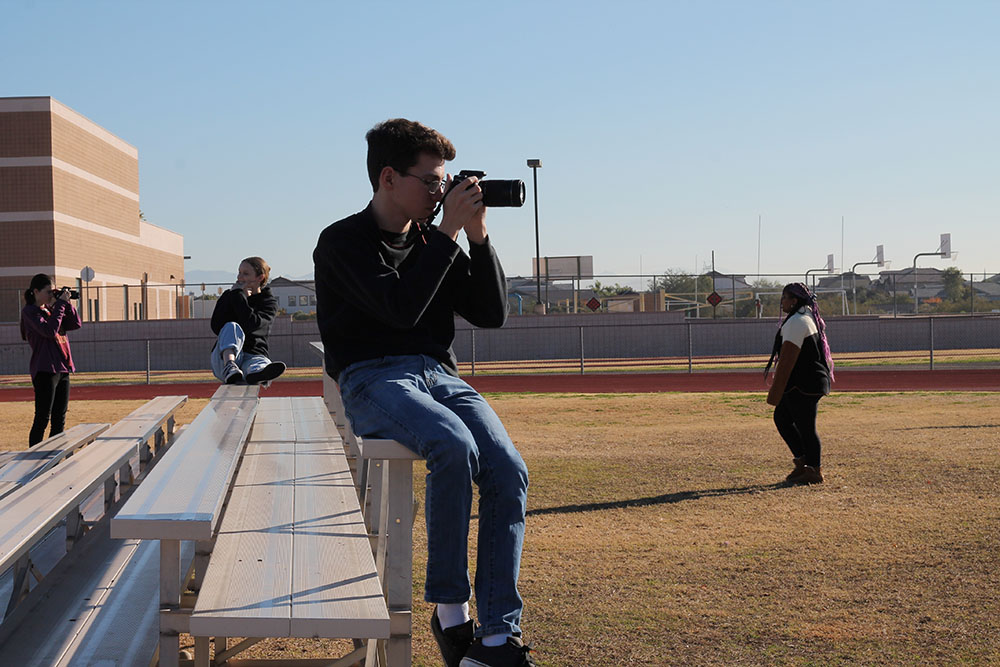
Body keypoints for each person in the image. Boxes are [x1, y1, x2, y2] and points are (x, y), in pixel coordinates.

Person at [313, 119, 534, 667]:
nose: (442, 192)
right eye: (432, 181)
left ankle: (497, 639)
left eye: (445, 181)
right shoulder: (342, 241)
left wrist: (477, 236)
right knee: (451, 445)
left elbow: (492, 313)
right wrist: (448, 233)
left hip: (440, 373)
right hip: (372, 376)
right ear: (389, 177)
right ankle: (452, 614)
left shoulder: (435, 241)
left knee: (508, 468)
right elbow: (399, 309)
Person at [765, 282, 835, 484]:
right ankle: (804, 462)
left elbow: (787, 360)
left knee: (806, 428)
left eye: (784, 298)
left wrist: (775, 391)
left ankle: (813, 470)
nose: (782, 302)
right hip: (806, 382)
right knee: (782, 418)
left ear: (794, 301)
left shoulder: (797, 321)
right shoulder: (804, 317)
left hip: (804, 385)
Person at [20, 273, 82, 446]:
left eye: (53, 292)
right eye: (48, 292)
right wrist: (60, 305)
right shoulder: (30, 312)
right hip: (45, 369)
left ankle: (54, 456)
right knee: (42, 418)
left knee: (59, 419)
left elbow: (75, 324)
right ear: (36, 292)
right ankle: (33, 457)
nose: (51, 295)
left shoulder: (51, 310)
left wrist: (66, 304)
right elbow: (49, 331)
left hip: (62, 368)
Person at [209, 257, 286, 385]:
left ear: (260, 278)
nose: (239, 277)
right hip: (224, 358)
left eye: (245, 274)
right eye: (239, 272)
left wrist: (240, 298)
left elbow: (252, 325)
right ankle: (230, 367)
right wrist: (236, 295)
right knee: (232, 326)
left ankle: (257, 373)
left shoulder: (268, 303)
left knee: (259, 363)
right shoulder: (229, 296)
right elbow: (216, 327)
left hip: (253, 355)